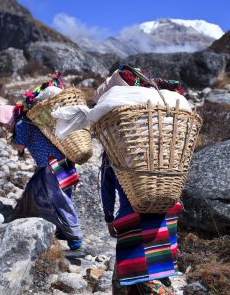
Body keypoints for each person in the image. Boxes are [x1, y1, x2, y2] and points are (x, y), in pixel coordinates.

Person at [96, 67, 182, 294]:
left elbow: (107, 187)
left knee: (135, 274)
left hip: (133, 215)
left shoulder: (114, 145)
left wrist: (108, 218)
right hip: (167, 211)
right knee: (160, 267)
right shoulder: (165, 137)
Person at [10, 77, 83, 251]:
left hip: (51, 166)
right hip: (66, 161)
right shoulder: (62, 117)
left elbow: (19, 146)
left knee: (61, 200)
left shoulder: (26, 122)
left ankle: (75, 239)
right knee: (58, 195)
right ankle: (58, 231)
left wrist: (12, 132)